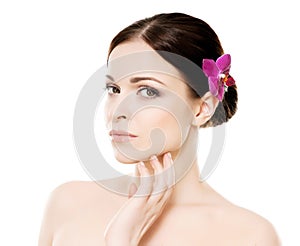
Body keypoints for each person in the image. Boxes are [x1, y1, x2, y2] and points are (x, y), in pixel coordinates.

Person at [38, 12, 281, 245]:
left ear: (201, 109)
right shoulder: (68, 204)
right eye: (114, 89)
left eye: (147, 91)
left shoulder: (249, 236)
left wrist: (121, 239)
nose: (117, 111)